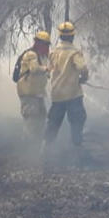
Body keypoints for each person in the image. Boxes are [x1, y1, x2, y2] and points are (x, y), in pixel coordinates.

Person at [44, 21, 89, 158]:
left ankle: (46, 149)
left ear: (61, 36)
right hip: (73, 94)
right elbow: (83, 69)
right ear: (72, 37)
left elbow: (48, 71)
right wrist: (83, 79)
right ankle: (77, 148)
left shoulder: (53, 52)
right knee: (78, 119)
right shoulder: (75, 53)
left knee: (54, 122)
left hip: (57, 95)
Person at [17, 31, 51, 143]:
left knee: (41, 117)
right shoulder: (31, 54)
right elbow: (34, 69)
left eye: (47, 44)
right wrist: (46, 69)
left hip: (37, 93)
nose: (46, 47)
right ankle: (27, 146)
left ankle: (35, 144)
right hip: (29, 93)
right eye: (45, 44)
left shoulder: (40, 56)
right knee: (31, 120)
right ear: (38, 43)